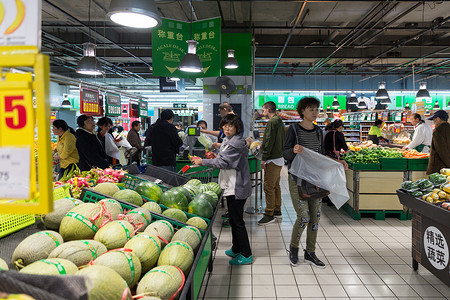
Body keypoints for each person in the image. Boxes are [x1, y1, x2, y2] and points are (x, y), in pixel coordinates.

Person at [283, 97, 347, 269]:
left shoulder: (319, 131)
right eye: (310, 109)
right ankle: (294, 249)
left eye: (316, 109)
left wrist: (336, 162)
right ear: (302, 111)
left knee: (315, 218)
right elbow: (285, 154)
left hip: (316, 179)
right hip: (298, 179)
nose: (314, 112)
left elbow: (320, 155)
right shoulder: (293, 130)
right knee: (303, 217)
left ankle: (310, 252)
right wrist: (293, 150)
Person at [191, 114, 252, 265]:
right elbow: (222, 147)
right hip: (231, 185)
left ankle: (246, 253)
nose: (227, 128)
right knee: (232, 218)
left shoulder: (236, 143)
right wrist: (215, 150)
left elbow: (223, 162)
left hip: (237, 186)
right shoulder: (228, 139)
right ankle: (236, 248)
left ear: (237, 128)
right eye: (225, 125)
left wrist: (202, 161)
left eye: (230, 126)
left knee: (237, 221)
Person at [257, 101, 285, 225]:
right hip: (279, 157)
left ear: (268, 109)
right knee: (275, 186)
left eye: (263, 110)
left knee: (268, 186)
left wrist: (264, 157)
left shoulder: (272, 122)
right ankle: (277, 210)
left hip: (272, 158)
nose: (263, 113)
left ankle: (269, 214)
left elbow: (269, 140)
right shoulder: (279, 121)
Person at [427, 110, 450, 175]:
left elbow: (441, 150)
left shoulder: (438, 131)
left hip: (439, 168)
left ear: (438, 119)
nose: (434, 122)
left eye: (434, 120)